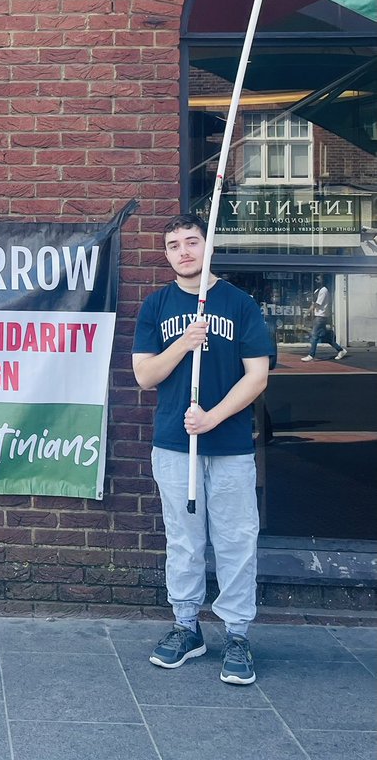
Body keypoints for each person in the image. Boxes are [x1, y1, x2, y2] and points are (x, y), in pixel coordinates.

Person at [132, 213, 271, 686]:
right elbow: (145, 375)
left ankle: (237, 634)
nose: (184, 251)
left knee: (236, 541)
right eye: (174, 245)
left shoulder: (239, 304)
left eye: (192, 241)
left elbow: (257, 376)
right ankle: (186, 626)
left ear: (207, 246)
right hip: (175, 445)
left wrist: (213, 417)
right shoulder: (156, 305)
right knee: (184, 541)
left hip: (230, 446)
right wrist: (183, 343)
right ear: (166, 254)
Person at [303, 275, 347, 362]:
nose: (316, 281)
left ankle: (311, 355)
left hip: (321, 316)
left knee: (314, 336)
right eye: (316, 279)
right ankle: (341, 350)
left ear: (323, 281)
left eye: (318, 279)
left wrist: (307, 312)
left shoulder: (324, 291)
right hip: (318, 316)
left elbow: (317, 304)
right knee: (325, 337)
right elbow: (314, 303)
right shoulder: (317, 290)